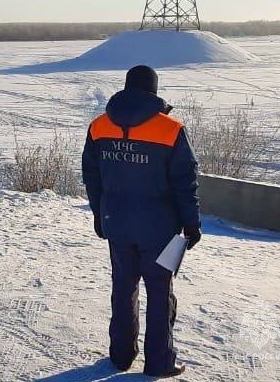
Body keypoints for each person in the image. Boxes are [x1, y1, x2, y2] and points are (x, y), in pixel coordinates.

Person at [81, 65, 201, 377]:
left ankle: (121, 356)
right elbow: (184, 182)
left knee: (123, 288)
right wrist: (191, 223)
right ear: (154, 92)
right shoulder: (170, 129)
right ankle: (160, 362)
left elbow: (92, 178)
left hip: (117, 224)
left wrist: (99, 213)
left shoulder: (99, 126)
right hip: (160, 230)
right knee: (160, 292)